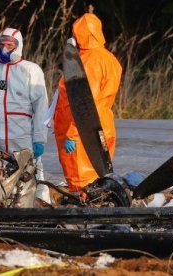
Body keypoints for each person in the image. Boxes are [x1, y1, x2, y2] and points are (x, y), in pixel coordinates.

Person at [0, 27, 49, 203]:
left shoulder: (31, 70)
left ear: (19, 46)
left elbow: (41, 107)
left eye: (10, 44)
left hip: (21, 136)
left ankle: (43, 211)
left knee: (31, 176)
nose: (5, 48)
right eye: (2, 44)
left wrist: (39, 138)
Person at [53, 13, 122, 194]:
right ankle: (99, 209)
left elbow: (83, 102)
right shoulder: (110, 59)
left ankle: (85, 217)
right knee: (99, 176)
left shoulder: (88, 61)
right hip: (103, 125)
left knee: (81, 181)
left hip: (83, 132)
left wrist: (73, 134)